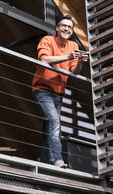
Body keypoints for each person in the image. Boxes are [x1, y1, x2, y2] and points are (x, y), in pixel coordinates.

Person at [31, 15, 88, 168]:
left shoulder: (73, 46)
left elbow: (74, 71)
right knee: (55, 122)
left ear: (72, 31)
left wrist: (80, 62)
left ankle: (44, 161)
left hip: (59, 94)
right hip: (42, 90)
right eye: (63, 26)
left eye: (69, 27)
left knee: (48, 127)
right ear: (57, 28)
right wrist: (67, 56)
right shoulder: (47, 40)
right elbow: (44, 59)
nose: (66, 29)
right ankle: (57, 159)